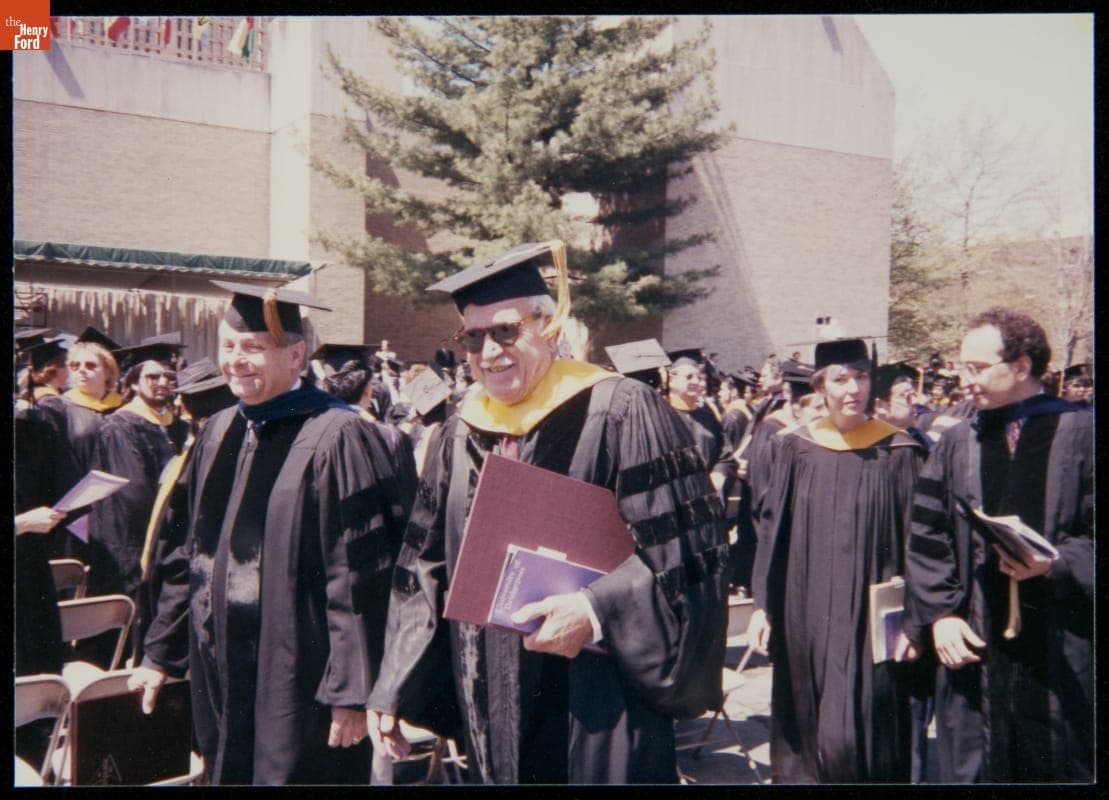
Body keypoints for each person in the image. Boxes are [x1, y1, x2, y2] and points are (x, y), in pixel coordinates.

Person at [366, 240, 729, 784]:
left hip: (599, 697)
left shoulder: (622, 410)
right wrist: (393, 680)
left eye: (506, 331)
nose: (489, 352)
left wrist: (595, 609)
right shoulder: (459, 430)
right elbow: (423, 564)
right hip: (491, 702)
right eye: (473, 337)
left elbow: (689, 550)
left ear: (551, 327)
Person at [129, 280, 412, 785]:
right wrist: (161, 653)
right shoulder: (218, 430)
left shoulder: (339, 435)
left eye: (253, 348)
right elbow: (188, 557)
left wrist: (350, 691)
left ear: (296, 355)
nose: (235, 361)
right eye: (228, 347)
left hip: (300, 679)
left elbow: (359, 575)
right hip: (219, 670)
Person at [903, 308, 1092, 783]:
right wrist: (941, 615)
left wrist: (1057, 565)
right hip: (973, 643)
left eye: (977, 367)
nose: (964, 380)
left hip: (1062, 643)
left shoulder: (1083, 433)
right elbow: (927, 535)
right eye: (962, 366)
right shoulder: (958, 441)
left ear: (1022, 366)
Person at [747, 338, 927, 783]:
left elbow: (920, 542)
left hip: (873, 614)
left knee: (861, 730)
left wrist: (917, 620)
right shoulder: (794, 448)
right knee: (806, 722)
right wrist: (761, 605)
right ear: (821, 386)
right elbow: (772, 531)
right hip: (804, 609)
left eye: (861, 376)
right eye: (840, 379)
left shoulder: (899, 451)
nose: (853, 388)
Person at [85, 339, 190, 667]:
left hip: (162, 535)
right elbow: (135, 492)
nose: (163, 383)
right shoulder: (120, 425)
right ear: (132, 381)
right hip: (130, 540)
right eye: (153, 376)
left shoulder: (175, 425)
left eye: (169, 378)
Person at [37, 332, 124, 560]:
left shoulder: (124, 411)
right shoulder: (58, 409)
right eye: (74, 365)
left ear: (108, 371)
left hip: (118, 509)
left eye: (90, 365)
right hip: (77, 511)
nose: (81, 370)